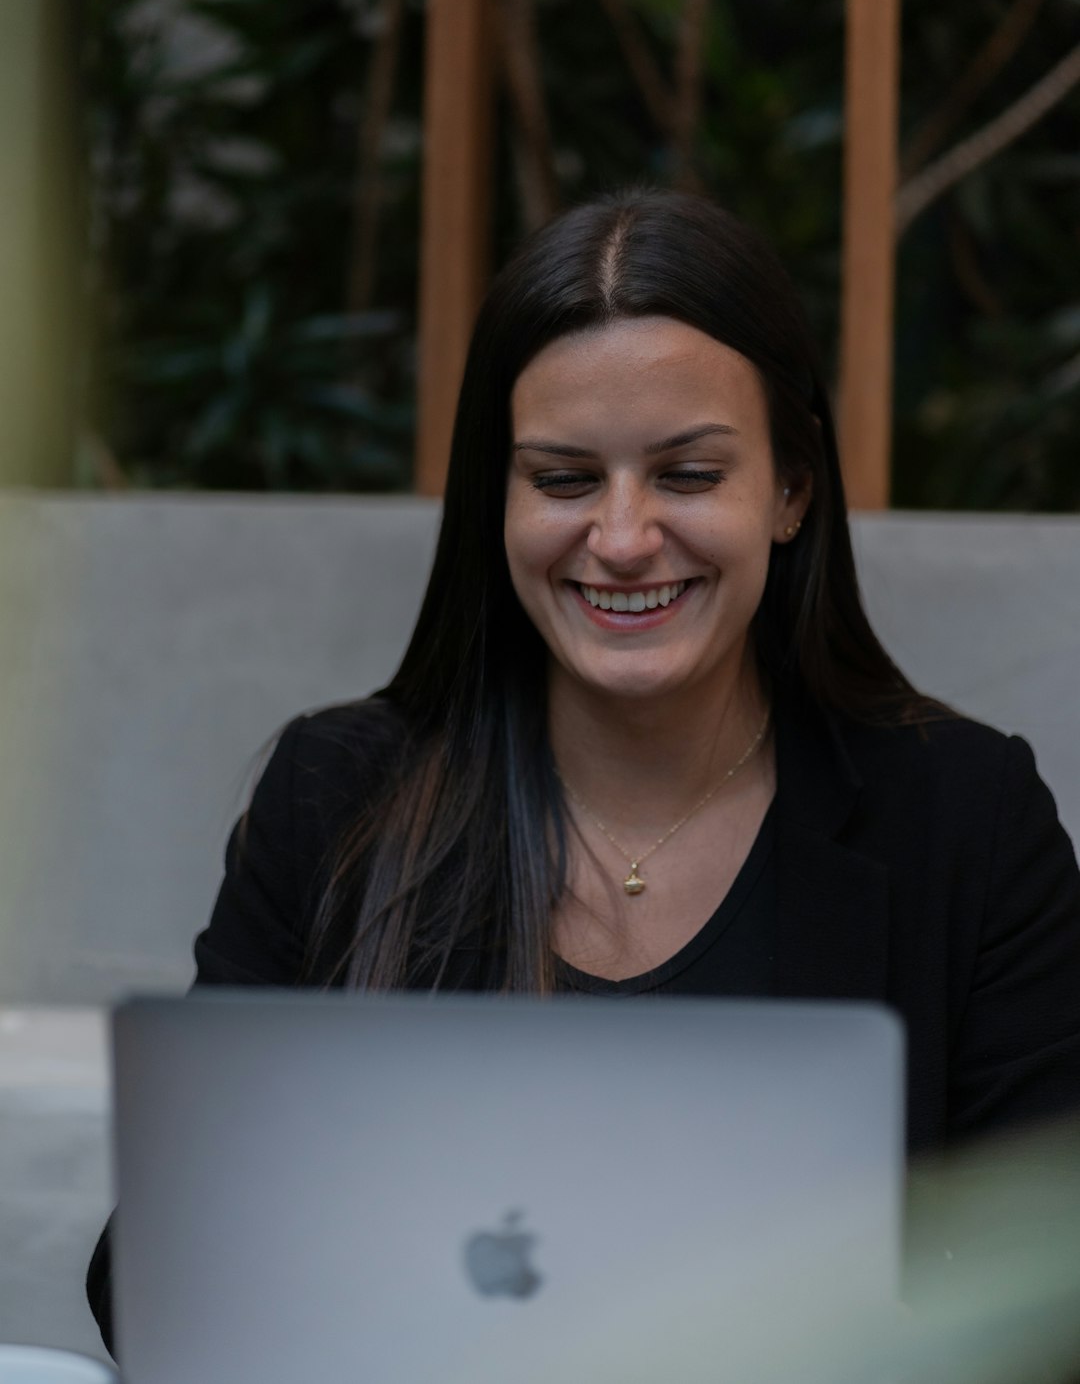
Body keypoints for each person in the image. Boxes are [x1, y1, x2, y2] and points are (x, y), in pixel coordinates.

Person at [87, 188, 1080, 1352]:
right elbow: (150, 1274)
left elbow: (1052, 1283)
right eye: (563, 480)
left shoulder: (963, 817)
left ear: (792, 492)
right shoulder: (334, 798)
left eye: (689, 474)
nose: (620, 538)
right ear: (496, 505)